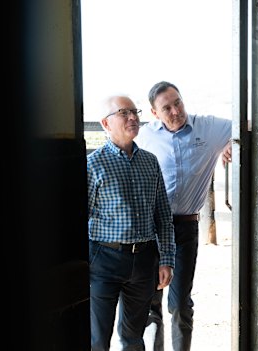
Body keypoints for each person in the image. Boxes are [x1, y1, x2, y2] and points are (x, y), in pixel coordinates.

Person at [135, 81, 232, 351]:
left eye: (177, 102)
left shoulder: (208, 127)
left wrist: (230, 144)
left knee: (179, 303)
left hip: (185, 230)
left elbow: (247, 124)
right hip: (150, 229)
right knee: (150, 301)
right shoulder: (144, 137)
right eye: (166, 108)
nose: (175, 111)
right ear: (155, 113)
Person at [87, 95, 176, 351]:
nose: (133, 117)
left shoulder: (150, 161)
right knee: (97, 339)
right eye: (124, 113)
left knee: (134, 338)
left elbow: (163, 215)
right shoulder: (93, 165)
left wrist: (167, 259)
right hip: (103, 259)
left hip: (144, 260)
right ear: (106, 123)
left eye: (134, 111)